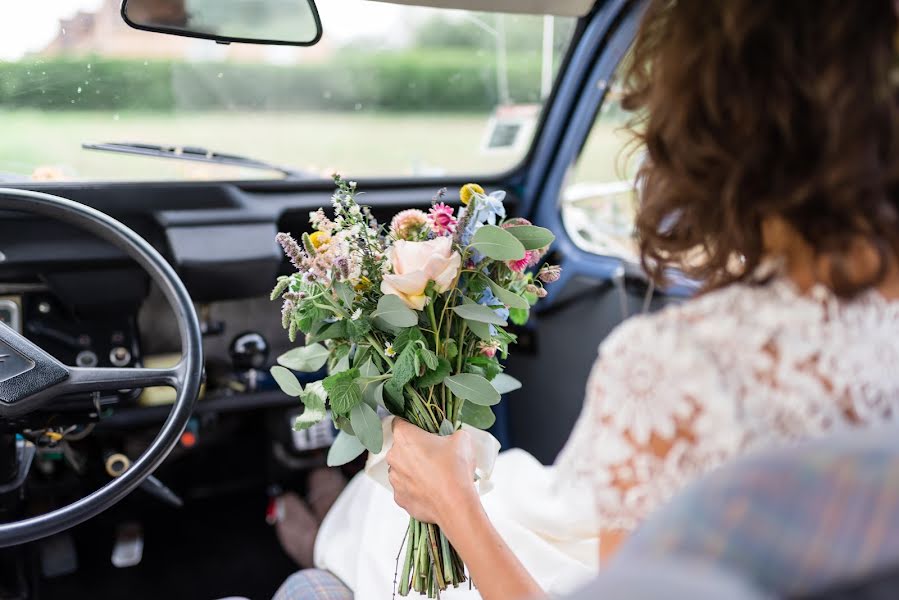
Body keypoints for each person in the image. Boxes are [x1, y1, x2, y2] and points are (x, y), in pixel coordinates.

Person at [274, 1, 899, 598]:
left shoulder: (681, 365)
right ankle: (339, 525)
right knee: (510, 489)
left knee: (395, 517)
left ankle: (326, 544)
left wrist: (449, 501)